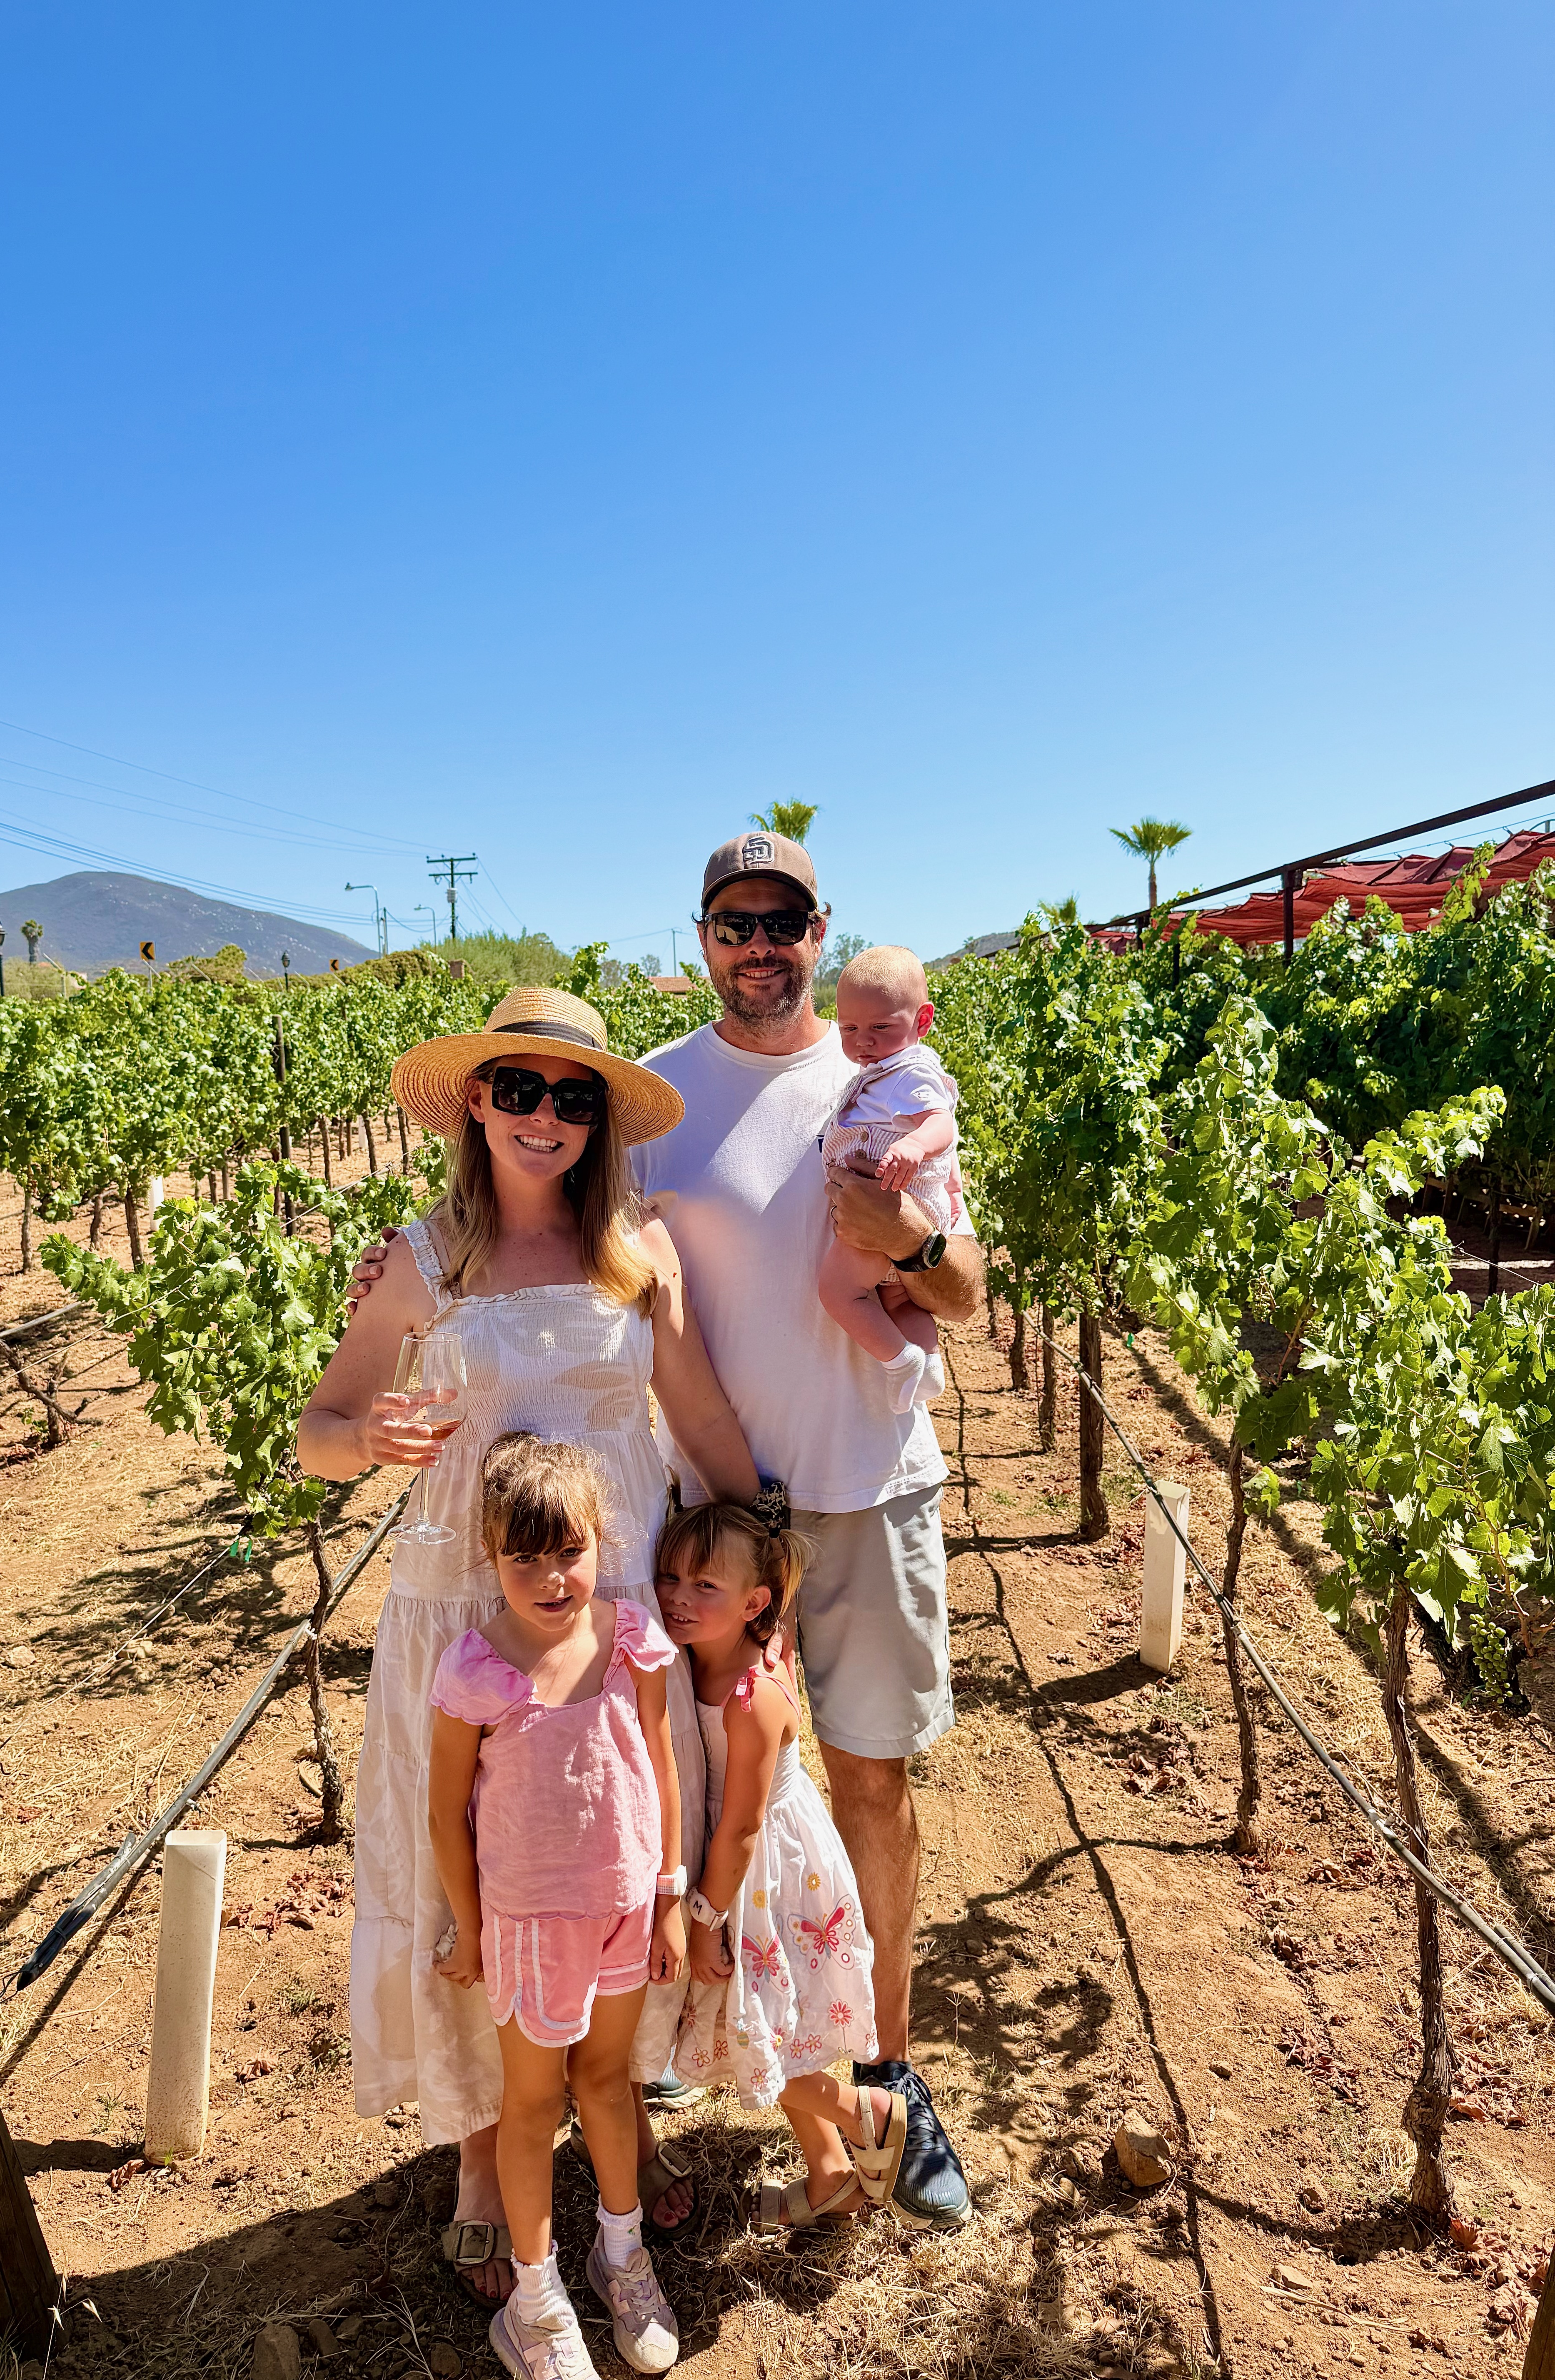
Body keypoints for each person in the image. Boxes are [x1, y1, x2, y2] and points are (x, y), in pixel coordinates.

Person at [298, 985, 760, 2307]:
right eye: (519, 1089)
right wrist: (364, 1439)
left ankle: (621, 2101)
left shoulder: (638, 1252)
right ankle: (476, 2142)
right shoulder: (420, 1260)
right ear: (477, 1103)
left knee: (618, 1846)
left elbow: (698, 1416)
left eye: (572, 1096)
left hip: (613, 1618)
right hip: (469, 1616)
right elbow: (319, 1432)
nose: (544, 1116)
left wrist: (768, 1553)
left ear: (599, 1119)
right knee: (482, 1868)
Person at [627, 829, 984, 2228]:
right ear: (703, 937)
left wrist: (908, 1241)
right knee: (714, 1792)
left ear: (819, 932)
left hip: (874, 1486)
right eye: (735, 922)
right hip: (716, 1515)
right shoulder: (654, 1097)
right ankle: (707, 2038)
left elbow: (965, 1289)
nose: (759, 944)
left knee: (870, 1790)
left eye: (782, 921)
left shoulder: (883, 1072)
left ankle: (887, 2076)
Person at [429, 1434, 686, 2378]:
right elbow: (445, 1814)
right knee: (533, 2105)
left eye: (569, 1552)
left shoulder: (630, 1641)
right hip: (530, 1927)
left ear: (599, 1541)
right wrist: (470, 1926)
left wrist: (669, 1894)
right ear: (489, 1555)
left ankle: (621, 2256)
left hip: (624, 1908)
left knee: (608, 2084)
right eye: (524, 1557)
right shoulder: (475, 1672)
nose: (550, 1579)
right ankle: (534, 2306)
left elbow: (660, 1765)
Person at [656, 1500, 910, 2231]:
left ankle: (864, 2110)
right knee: (769, 2021)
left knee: (749, 2028)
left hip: (762, 1873)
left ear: (754, 1604)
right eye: (670, 1577)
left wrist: (703, 1918)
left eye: (705, 1585)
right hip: (740, 1861)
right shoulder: (696, 1660)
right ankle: (829, 2172)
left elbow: (742, 1827)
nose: (678, 1596)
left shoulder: (750, 1698)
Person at [818, 945, 962, 1412]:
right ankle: (931, 1364)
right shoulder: (886, 1072)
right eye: (849, 1029)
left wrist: (916, 1145)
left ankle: (901, 1362)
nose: (863, 1041)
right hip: (907, 1207)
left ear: (923, 1021)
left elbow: (942, 1124)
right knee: (899, 1299)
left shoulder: (909, 1073)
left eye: (880, 1027)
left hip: (885, 1206)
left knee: (839, 1292)